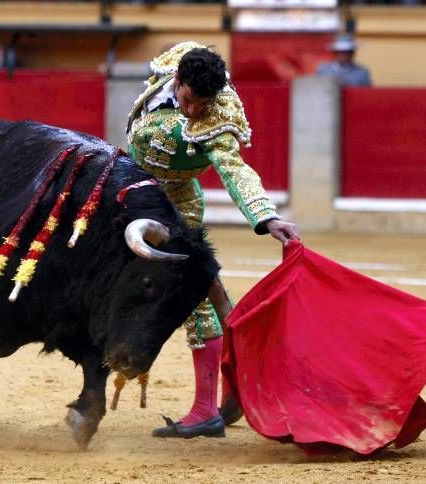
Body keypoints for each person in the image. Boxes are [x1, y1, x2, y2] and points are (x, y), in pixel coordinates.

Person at [125, 41, 299, 439]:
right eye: (187, 100)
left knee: (193, 297)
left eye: (201, 105)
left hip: (174, 206)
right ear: (178, 79)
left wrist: (265, 216)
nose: (193, 112)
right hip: (133, 191)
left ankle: (206, 410)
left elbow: (235, 169)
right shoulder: (177, 60)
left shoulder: (219, 116)